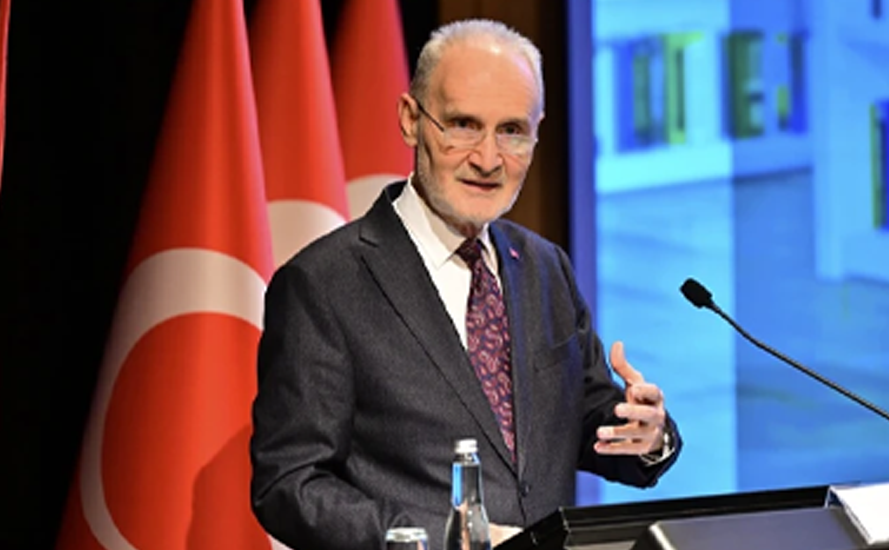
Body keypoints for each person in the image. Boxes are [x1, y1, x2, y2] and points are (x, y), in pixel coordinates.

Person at [250, 19, 681, 550]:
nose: (488, 159)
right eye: (463, 125)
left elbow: (586, 420)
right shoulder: (324, 284)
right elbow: (289, 485)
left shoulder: (546, 267)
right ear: (411, 120)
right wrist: (446, 538)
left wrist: (646, 434)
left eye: (512, 131)